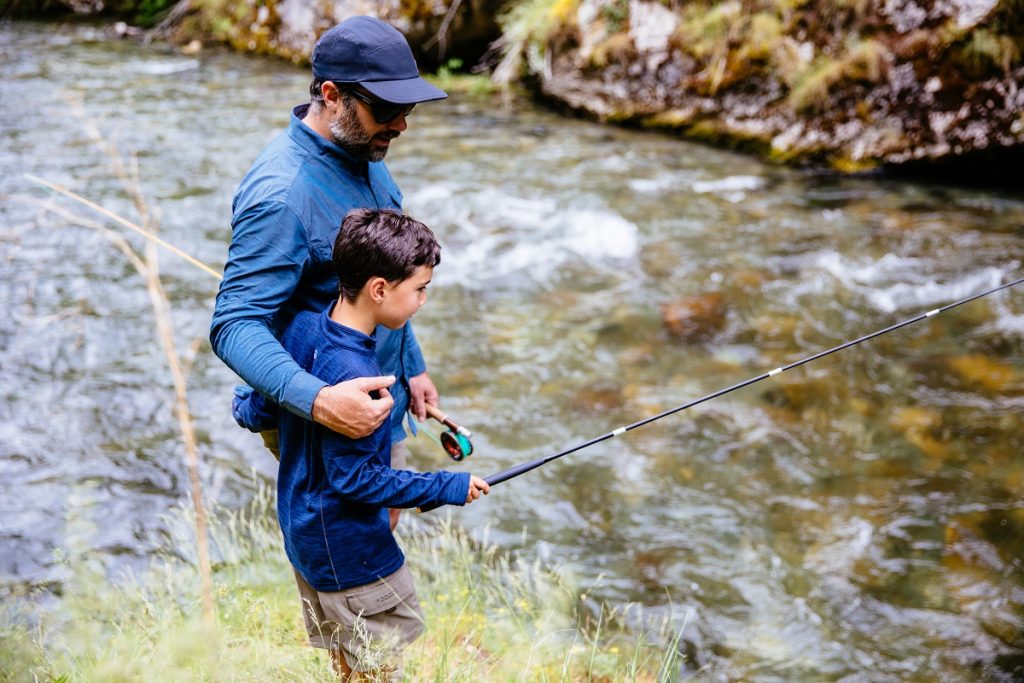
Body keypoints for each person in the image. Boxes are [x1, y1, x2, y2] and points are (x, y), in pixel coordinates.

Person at [210, 16, 448, 530]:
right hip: (326, 417)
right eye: (387, 109)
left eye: (406, 109)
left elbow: (385, 278)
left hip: (380, 398)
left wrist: (413, 368)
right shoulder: (281, 196)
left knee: (379, 547)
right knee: (346, 573)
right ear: (332, 94)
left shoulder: (365, 147)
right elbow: (234, 325)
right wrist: (318, 402)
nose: (401, 124)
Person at [234, 208, 490, 679]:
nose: (422, 301)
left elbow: (259, 407)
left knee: (344, 653)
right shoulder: (365, 383)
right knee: (378, 666)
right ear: (379, 289)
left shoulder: (302, 328)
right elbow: (356, 478)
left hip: (304, 533)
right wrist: (446, 488)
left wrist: (243, 406)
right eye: (419, 290)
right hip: (352, 556)